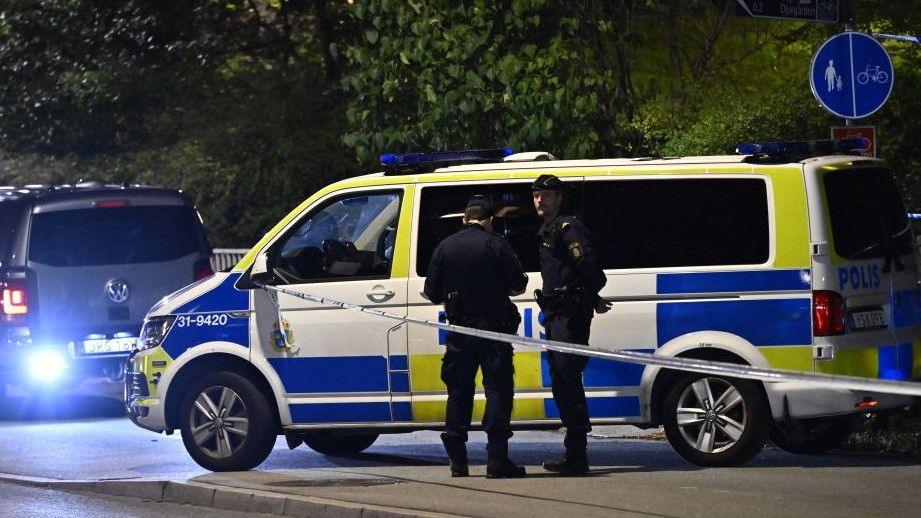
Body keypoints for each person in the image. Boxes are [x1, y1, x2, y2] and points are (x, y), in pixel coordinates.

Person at [423, 194, 529, 478]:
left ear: (464, 219)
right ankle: (496, 461)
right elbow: (519, 284)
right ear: (490, 221)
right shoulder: (497, 244)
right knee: (497, 391)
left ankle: (458, 462)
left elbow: (431, 292)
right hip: (494, 331)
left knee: (458, 392)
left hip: (460, 331)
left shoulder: (445, 247)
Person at [532, 174, 610, 476]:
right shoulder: (550, 229)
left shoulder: (568, 228)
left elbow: (588, 265)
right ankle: (574, 454)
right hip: (557, 315)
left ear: (559, 198)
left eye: (547, 195)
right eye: (537, 195)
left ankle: (577, 456)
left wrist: (591, 295)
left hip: (568, 314)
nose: (541, 200)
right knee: (563, 381)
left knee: (567, 379)